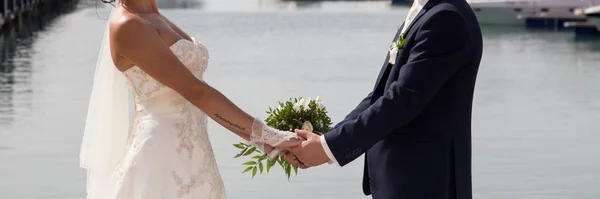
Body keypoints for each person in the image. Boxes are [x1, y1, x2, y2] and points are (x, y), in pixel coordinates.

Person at [79, 0, 300, 198]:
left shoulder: (152, 14)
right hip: (161, 157)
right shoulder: (128, 25)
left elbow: (196, 96)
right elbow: (196, 91)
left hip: (196, 153)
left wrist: (262, 141)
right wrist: (269, 134)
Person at [284, 0, 483, 198]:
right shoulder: (429, 12)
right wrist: (326, 138)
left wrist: (329, 147)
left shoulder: (446, 19)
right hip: (403, 179)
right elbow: (383, 93)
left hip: (425, 182)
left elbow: (402, 99)